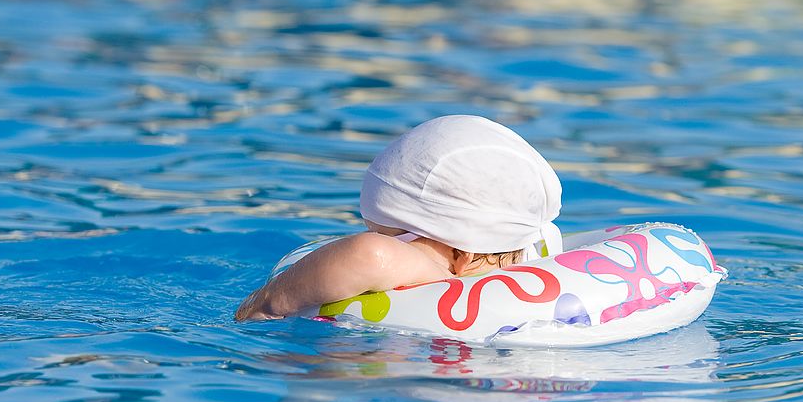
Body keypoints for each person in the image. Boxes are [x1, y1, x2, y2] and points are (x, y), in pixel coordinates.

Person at [235, 114, 562, 321]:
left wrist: (263, 306)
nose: (380, 241)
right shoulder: (540, 244)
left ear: (462, 254)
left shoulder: (431, 269)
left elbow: (369, 255)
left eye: (392, 236)